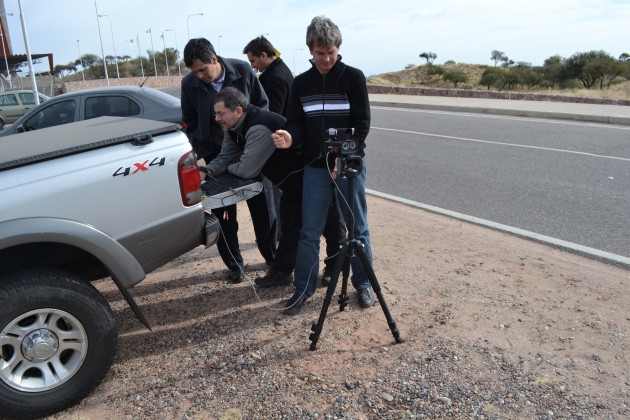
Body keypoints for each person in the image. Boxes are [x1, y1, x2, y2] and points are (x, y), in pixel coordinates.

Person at [272, 16, 376, 315]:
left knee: (357, 228)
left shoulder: (353, 78)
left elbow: (362, 124)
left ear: (338, 47)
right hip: (315, 168)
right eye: (320, 53)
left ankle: (364, 283)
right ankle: (303, 288)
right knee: (309, 231)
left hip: (348, 166)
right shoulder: (301, 83)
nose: (326, 58)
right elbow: (296, 123)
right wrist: (289, 137)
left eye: (330, 51)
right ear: (311, 50)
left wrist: (343, 159)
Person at [243, 35, 343, 288]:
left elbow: (276, 118)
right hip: (300, 160)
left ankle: (332, 266)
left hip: (304, 161)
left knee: (330, 220)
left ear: (265, 54)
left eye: (254, 60)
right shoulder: (290, 77)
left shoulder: (276, 77)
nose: (253, 66)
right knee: (295, 222)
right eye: (318, 53)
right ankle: (285, 270)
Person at [181, 38, 277, 283]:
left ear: (214, 59)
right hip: (217, 156)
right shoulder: (189, 84)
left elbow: (262, 105)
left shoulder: (243, 71)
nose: (200, 75)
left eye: (203, 69)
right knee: (224, 216)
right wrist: (202, 149)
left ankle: (272, 258)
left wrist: (253, 142)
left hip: (251, 151)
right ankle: (235, 265)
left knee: (263, 212)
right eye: (195, 72)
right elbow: (190, 122)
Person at [204, 87, 303, 287]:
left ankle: (328, 271)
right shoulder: (232, 128)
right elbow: (224, 157)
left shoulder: (258, 127)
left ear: (238, 111)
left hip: (304, 181)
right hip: (285, 182)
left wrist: (231, 167)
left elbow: (246, 170)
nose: (216, 119)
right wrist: (207, 171)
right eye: (216, 113)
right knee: (290, 227)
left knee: (319, 226)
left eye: (220, 113)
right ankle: (281, 273)